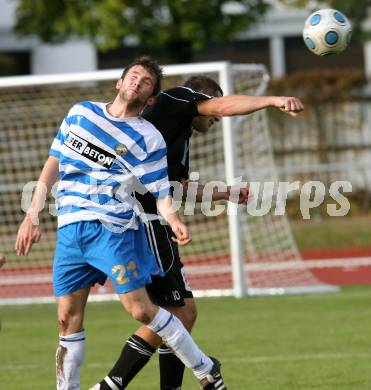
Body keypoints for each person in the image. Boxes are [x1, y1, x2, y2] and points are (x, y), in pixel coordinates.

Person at [15, 56, 227, 390]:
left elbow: (161, 191)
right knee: (66, 319)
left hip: (113, 230)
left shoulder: (148, 138)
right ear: (119, 82)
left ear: (151, 98)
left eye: (145, 83)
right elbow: (54, 161)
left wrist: (173, 220)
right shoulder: (80, 112)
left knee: (143, 312)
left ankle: (203, 367)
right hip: (70, 231)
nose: (137, 82)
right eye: (133, 76)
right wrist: (32, 214)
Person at [93, 76, 304, 390]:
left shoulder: (177, 133)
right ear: (199, 99)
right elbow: (223, 105)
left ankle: (125, 385)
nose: (217, 118)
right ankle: (113, 385)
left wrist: (225, 193)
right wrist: (272, 100)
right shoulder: (177, 99)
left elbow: (180, 187)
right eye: (211, 109)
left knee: (181, 312)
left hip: (152, 219)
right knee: (176, 311)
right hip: (145, 219)